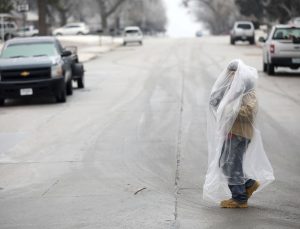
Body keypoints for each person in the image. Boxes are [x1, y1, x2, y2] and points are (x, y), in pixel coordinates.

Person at [203, 60, 274, 208]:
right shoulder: (232, 90)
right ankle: (248, 184)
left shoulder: (248, 91)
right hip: (231, 133)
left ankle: (239, 198)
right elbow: (215, 102)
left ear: (239, 74)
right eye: (228, 73)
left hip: (240, 134)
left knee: (231, 164)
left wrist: (230, 109)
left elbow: (249, 111)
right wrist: (221, 98)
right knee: (226, 163)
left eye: (233, 73)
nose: (229, 76)